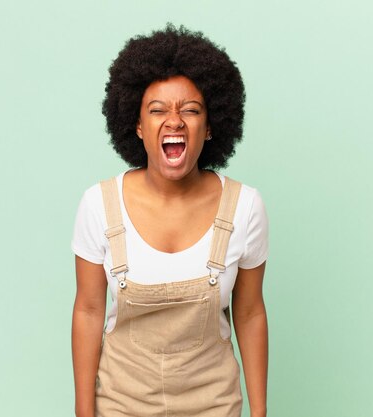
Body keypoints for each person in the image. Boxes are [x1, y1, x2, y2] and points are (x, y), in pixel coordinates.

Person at [71, 24, 269, 417]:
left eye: (191, 110)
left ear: (211, 127)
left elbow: (250, 313)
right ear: (138, 126)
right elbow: (89, 310)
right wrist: (83, 411)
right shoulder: (98, 204)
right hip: (120, 404)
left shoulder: (245, 207)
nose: (174, 120)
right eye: (158, 110)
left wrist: (260, 412)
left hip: (214, 404)